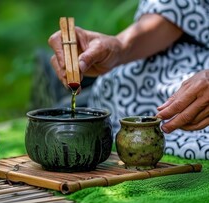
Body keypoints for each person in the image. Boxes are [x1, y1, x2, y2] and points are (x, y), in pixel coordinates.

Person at [47, 0, 209, 159]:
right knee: (118, 81)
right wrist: (120, 46)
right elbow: (178, 8)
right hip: (183, 57)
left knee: (188, 101)